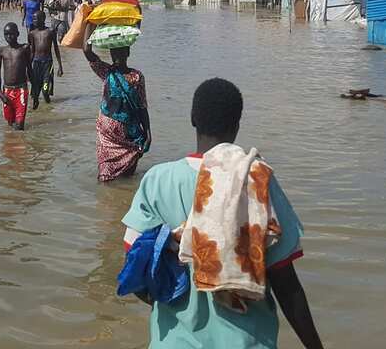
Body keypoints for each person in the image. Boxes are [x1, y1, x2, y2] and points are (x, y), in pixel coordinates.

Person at [119, 78, 323, 349]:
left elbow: (136, 271)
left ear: (193, 119)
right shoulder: (256, 180)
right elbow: (286, 282)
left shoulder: (157, 181)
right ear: (237, 125)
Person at [83, 40, 150, 181]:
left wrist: (148, 134)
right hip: (107, 137)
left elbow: (142, 106)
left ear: (128, 53)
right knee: (105, 178)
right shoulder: (107, 72)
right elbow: (86, 50)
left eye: (120, 51)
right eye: (114, 52)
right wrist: (90, 22)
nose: (117, 56)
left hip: (130, 137)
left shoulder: (137, 76)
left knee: (128, 179)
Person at [0, 22, 32, 130]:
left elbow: (30, 70)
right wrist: (0, 93)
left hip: (21, 90)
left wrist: (34, 88)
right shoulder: (1, 51)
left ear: (18, 34)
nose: (9, 37)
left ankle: (21, 144)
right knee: (10, 123)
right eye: (6, 34)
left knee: (19, 125)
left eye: (12, 34)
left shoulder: (24, 49)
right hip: (7, 91)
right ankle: (12, 145)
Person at [27, 10, 64, 110]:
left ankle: (48, 103)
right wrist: (27, 67)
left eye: (36, 18)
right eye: (33, 18)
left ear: (43, 19)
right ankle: (40, 112)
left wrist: (60, 66)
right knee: (35, 94)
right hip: (36, 63)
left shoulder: (50, 32)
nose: (34, 20)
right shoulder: (32, 34)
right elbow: (32, 51)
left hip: (48, 64)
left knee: (45, 89)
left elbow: (56, 49)